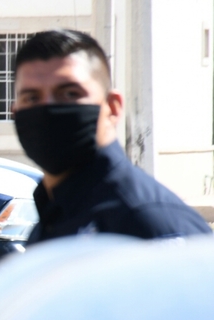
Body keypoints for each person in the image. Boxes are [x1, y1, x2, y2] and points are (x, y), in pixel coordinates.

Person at [11, 29, 211, 244]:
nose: (48, 109)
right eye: (32, 98)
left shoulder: (147, 222)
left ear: (113, 107)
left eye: (70, 94)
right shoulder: (53, 214)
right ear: (14, 111)